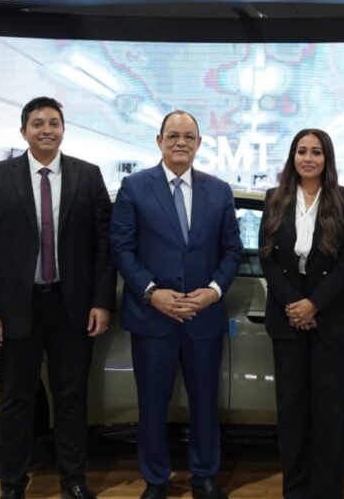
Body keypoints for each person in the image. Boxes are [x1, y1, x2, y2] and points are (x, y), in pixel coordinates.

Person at [0, 97, 116, 499]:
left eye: (53, 122)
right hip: (16, 307)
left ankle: (74, 482)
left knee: (72, 399)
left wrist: (101, 302)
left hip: (72, 307)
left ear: (63, 129)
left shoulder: (88, 176)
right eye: (37, 123)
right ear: (24, 132)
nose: (46, 129)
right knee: (16, 401)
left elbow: (104, 246)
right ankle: (12, 485)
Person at [110, 110, 242, 499]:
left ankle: (204, 475)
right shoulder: (134, 187)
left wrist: (214, 291)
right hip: (153, 317)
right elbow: (122, 248)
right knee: (152, 404)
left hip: (204, 317)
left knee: (205, 402)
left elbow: (231, 250)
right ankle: (156, 479)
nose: (180, 142)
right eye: (173, 136)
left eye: (188, 136)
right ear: (159, 141)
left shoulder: (219, 191)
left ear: (199, 143)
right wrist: (152, 292)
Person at [258, 129, 344, 499]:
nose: (308, 158)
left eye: (316, 152)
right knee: (292, 411)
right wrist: (294, 304)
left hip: (332, 317)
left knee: (330, 412)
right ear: (292, 157)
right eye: (301, 151)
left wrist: (314, 304)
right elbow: (267, 257)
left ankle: (326, 490)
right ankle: (295, 489)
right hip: (288, 317)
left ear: (326, 158)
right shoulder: (275, 199)